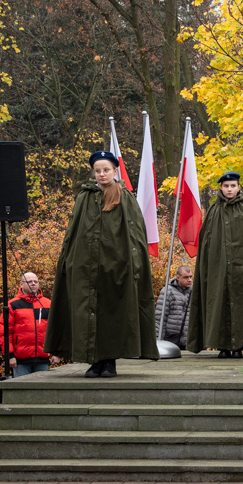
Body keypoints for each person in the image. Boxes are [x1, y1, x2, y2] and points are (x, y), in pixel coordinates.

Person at [45, 150, 158, 378]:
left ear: (115, 171)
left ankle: (109, 362)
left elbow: (135, 234)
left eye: (106, 170)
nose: (101, 174)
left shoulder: (125, 198)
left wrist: (133, 266)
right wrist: (68, 262)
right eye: (98, 170)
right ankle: (93, 361)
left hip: (116, 268)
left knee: (111, 315)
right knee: (87, 313)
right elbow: (73, 233)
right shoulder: (84, 197)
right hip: (85, 268)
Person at [188, 171, 243, 358]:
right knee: (219, 303)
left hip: (242, 268)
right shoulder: (214, 210)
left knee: (240, 304)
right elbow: (207, 242)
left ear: (238, 187)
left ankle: (239, 346)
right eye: (226, 186)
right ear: (221, 188)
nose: (229, 189)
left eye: (233, 186)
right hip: (218, 268)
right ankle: (223, 347)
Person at [0, 272, 56, 377]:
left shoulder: (48, 304)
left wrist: (56, 353)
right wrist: (9, 356)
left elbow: (55, 330)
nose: (33, 284)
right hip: (20, 362)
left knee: (41, 391)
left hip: (42, 360)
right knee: (22, 392)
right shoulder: (12, 305)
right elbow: (5, 333)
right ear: (21, 284)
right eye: (29, 281)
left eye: (35, 281)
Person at [155, 265, 194, 349]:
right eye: (186, 277)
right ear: (178, 277)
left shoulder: (195, 291)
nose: (190, 280)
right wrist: (158, 340)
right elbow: (160, 318)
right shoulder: (167, 292)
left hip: (189, 341)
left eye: (191, 277)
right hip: (170, 340)